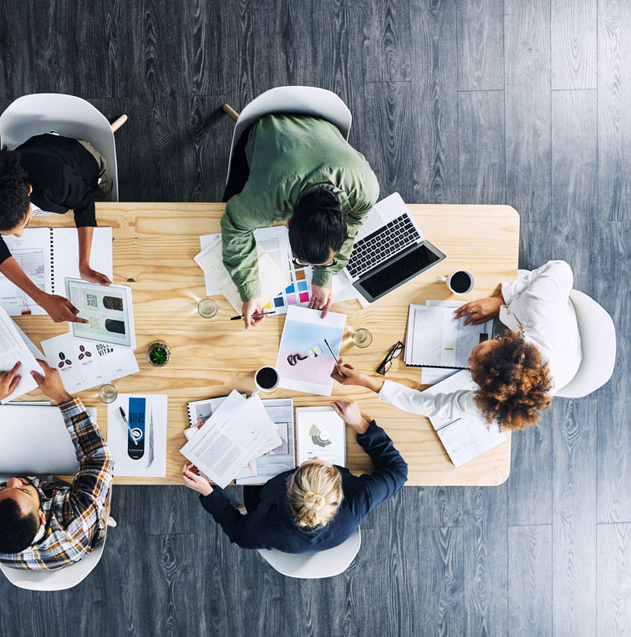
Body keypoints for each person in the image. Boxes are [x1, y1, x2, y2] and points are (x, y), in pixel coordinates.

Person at [331, 260, 581, 431]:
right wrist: (501, 299)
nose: (468, 361)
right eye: (479, 351)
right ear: (505, 340)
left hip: (567, 366)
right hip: (551, 325)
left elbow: (431, 405)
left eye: (474, 371)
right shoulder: (538, 311)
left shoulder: (498, 401)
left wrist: (366, 381)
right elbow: (561, 269)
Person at [0, 360, 113, 569]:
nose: (13, 481)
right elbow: (98, 457)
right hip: (72, 532)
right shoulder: (76, 521)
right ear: (42, 515)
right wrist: (62, 397)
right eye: (23, 491)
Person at [181, 400, 406, 552]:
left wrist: (207, 492)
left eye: (311, 462)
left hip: (261, 496)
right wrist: (360, 424)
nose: (317, 456)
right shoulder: (357, 500)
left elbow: (238, 533)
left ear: (288, 485)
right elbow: (397, 471)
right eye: (323, 465)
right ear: (338, 487)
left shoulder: (267, 528)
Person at [221, 113, 380, 328]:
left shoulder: (367, 190)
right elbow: (234, 224)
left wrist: (325, 275)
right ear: (287, 223)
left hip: (324, 120)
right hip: (268, 126)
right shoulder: (265, 200)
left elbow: (356, 221)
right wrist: (250, 293)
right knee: (227, 198)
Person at [0, 135, 113, 324]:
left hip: (82, 163)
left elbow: (85, 202)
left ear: (28, 190)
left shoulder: (57, 182)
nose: (20, 236)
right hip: (35, 153)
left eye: (24, 224)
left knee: (105, 196)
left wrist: (84, 265)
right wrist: (42, 299)